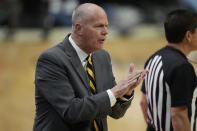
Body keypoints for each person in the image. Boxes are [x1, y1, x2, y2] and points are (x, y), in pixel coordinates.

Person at [33, 3, 148, 131]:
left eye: (106, 26)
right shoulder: (52, 60)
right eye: (99, 26)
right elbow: (71, 111)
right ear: (79, 28)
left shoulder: (102, 57)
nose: (105, 32)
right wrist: (115, 92)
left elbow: (115, 112)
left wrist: (126, 93)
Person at [140, 9, 197, 131]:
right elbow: (178, 116)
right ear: (188, 36)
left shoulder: (153, 58)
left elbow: (143, 103)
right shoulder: (183, 67)